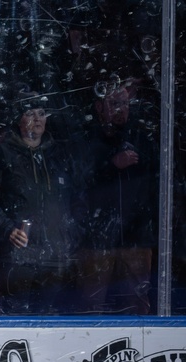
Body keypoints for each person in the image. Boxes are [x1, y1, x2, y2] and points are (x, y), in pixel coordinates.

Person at [0, 87, 84, 314]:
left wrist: (70, 236)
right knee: (17, 316)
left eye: (41, 113)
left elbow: (76, 199)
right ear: (18, 119)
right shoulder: (2, 153)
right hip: (18, 255)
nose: (37, 119)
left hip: (56, 256)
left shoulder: (58, 154)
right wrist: (7, 229)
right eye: (30, 114)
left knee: (53, 319)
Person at [74, 82, 157, 314]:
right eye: (114, 104)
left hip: (136, 237)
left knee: (137, 302)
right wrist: (110, 165)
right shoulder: (87, 139)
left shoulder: (142, 139)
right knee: (91, 303)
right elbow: (77, 182)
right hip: (96, 238)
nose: (121, 109)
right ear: (100, 107)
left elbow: (155, 184)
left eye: (124, 103)